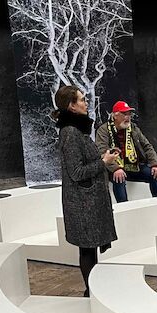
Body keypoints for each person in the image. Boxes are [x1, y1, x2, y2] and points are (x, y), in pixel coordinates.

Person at [52, 85, 118, 297]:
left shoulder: (77, 129)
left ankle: (93, 290)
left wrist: (104, 158)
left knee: (90, 247)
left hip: (88, 199)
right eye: (81, 99)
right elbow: (77, 172)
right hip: (82, 203)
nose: (86, 102)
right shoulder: (71, 133)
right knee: (87, 249)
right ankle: (90, 292)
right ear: (71, 106)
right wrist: (103, 161)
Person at [95, 100, 157, 203]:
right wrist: (116, 168)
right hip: (113, 168)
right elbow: (102, 152)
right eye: (124, 114)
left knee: (154, 174)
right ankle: (124, 207)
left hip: (133, 165)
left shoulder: (133, 128)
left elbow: (147, 147)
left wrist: (155, 164)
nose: (128, 117)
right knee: (118, 177)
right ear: (115, 116)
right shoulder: (103, 130)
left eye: (129, 114)